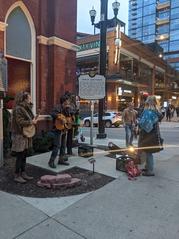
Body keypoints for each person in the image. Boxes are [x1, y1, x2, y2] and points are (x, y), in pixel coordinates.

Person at [11, 92, 37, 183]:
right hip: (19, 135)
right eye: (29, 98)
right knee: (20, 155)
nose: (30, 99)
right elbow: (20, 122)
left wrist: (33, 120)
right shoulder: (19, 108)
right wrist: (31, 122)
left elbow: (30, 119)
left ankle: (23, 173)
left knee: (24, 154)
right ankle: (17, 175)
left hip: (25, 134)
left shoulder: (26, 108)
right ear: (24, 99)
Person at [138, 96, 163, 176]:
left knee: (148, 152)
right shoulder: (156, 111)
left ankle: (150, 171)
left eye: (147, 101)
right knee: (148, 152)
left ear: (148, 102)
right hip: (154, 134)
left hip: (148, 135)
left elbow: (145, 125)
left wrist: (139, 123)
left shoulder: (149, 112)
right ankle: (147, 167)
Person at [48, 95, 70, 168]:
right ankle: (51, 161)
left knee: (63, 146)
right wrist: (60, 117)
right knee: (57, 146)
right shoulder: (57, 107)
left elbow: (69, 117)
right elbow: (52, 113)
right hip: (58, 129)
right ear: (64, 101)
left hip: (64, 129)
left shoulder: (67, 109)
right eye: (67, 101)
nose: (68, 102)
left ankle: (61, 160)